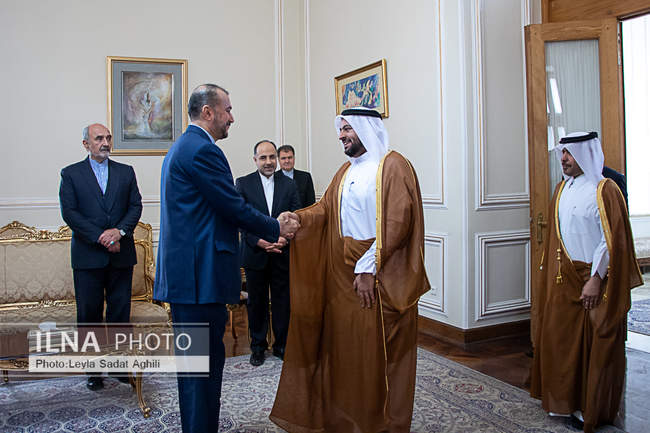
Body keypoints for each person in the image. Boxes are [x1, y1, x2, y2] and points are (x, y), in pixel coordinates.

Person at [270, 107, 430, 432]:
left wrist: (369, 268)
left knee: (376, 354)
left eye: (347, 129)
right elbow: (325, 209)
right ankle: (347, 418)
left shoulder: (393, 165)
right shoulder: (345, 170)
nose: (341, 135)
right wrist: (298, 218)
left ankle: (379, 422)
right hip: (342, 275)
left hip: (377, 275)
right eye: (340, 129)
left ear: (366, 128)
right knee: (347, 351)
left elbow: (398, 222)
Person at [154, 84, 299, 433]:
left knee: (196, 368)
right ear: (208, 112)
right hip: (199, 279)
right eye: (228, 110)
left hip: (190, 279)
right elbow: (231, 206)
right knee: (202, 371)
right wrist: (274, 226)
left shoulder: (184, 146)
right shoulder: (203, 150)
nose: (232, 117)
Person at [530, 131, 642, 433]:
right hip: (563, 280)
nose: (564, 159)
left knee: (595, 346)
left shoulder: (605, 190)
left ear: (585, 153)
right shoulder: (562, 189)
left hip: (594, 280)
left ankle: (591, 408)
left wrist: (595, 278)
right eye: (562, 153)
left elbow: (610, 239)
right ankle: (563, 401)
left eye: (569, 153)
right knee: (563, 342)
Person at [59, 123, 143, 391]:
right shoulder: (71, 174)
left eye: (108, 137)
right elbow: (70, 213)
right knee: (89, 315)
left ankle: (119, 367)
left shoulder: (126, 172)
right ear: (86, 144)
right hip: (88, 257)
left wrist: (119, 232)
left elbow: (135, 206)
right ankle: (93, 371)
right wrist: (101, 237)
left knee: (120, 314)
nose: (105, 142)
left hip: (121, 256)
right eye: (98, 138)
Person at [236, 140, 300, 366]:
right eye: (263, 158)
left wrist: (283, 239)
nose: (269, 162)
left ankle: (282, 346)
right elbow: (241, 219)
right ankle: (258, 347)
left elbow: (296, 216)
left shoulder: (289, 185)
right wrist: (261, 242)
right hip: (255, 253)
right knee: (257, 303)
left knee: (283, 302)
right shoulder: (243, 184)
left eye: (272, 157)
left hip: (283, 253)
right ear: (255, 160)